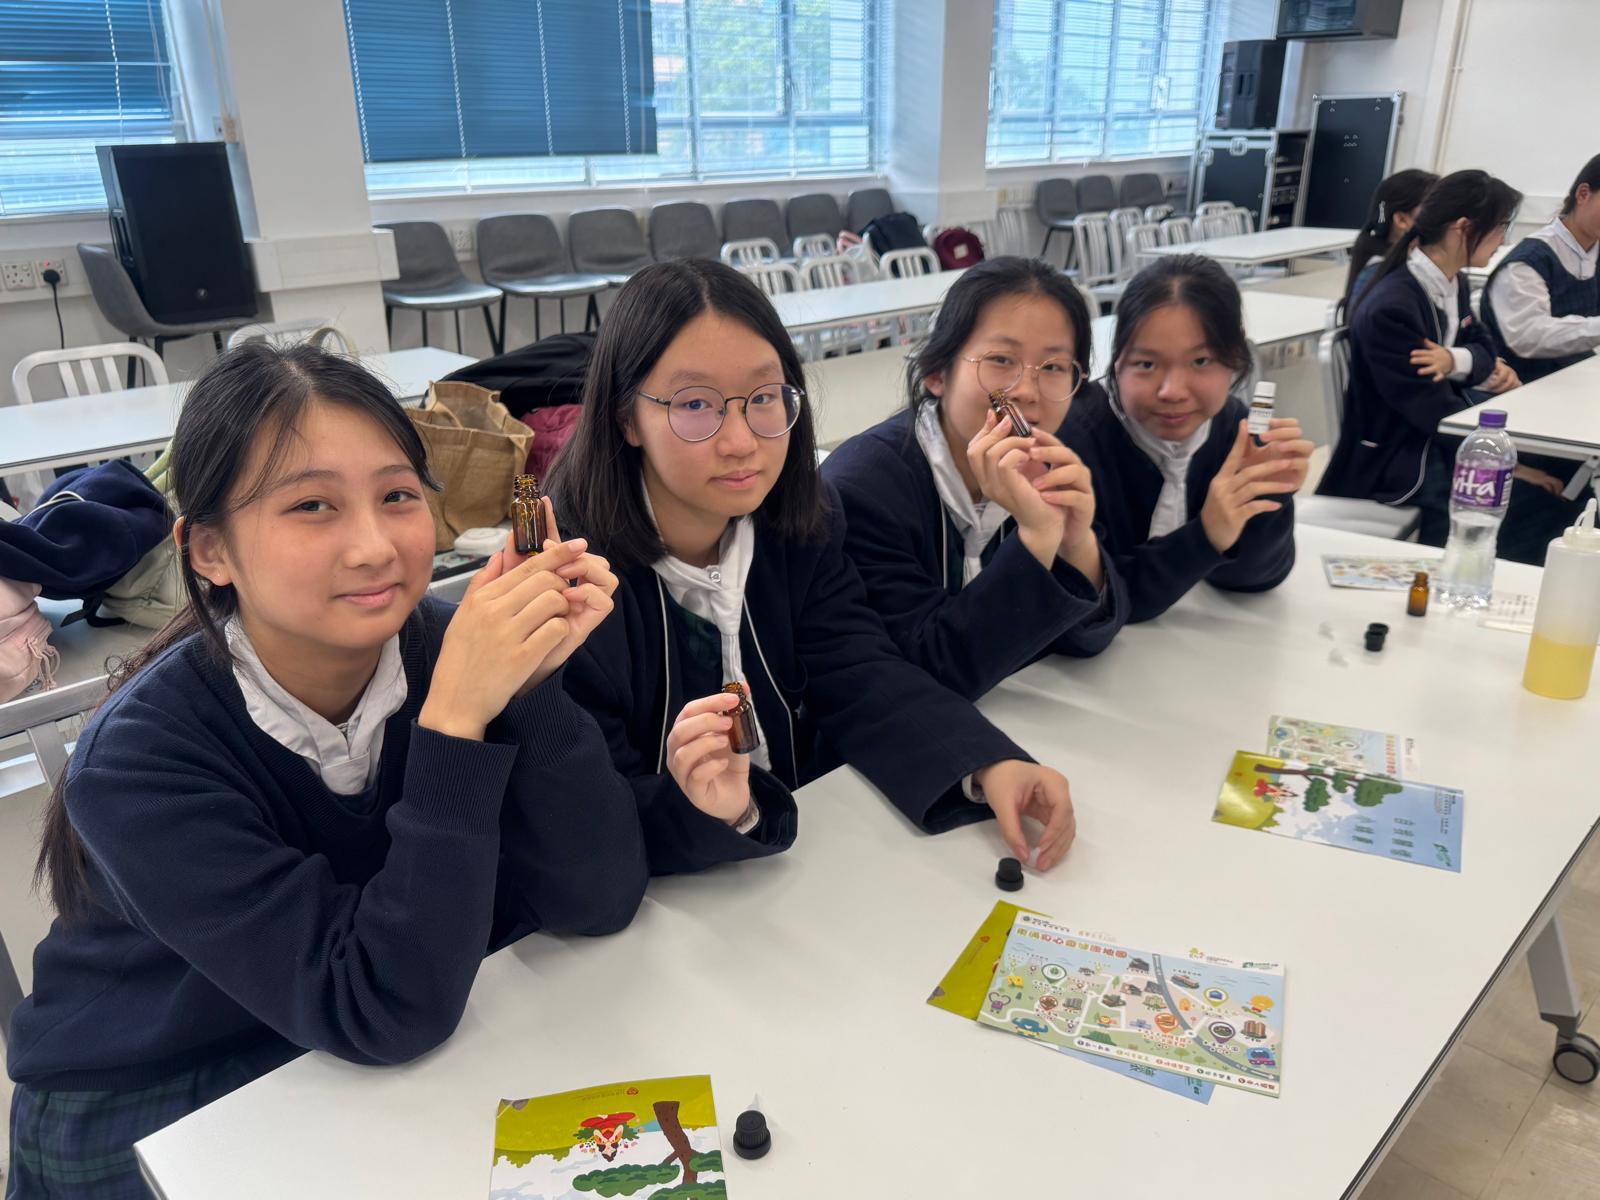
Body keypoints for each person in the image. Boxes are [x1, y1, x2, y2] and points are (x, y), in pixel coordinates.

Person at [5, 345, 646, 1198]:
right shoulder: (137, 760)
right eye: (313, 505)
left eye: (398, 496)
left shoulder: (446, 647)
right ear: (209, 551)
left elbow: (598, 898)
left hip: (361, 1031)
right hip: (158, 1088)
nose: (374, 546)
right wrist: (456, 721)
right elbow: (382, 1009)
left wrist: (529, 688)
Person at [547, 260, 1078, 879]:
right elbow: (581, 818)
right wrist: (713, 813)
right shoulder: (571, 581)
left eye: (763, 398)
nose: (741, 441)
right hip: (666, 901)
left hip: (796, 868)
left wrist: (984, 764)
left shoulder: (796, 524)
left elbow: (859, 669)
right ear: (625, 417)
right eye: (695, 404)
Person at [821, 256, 1128, 700]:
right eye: (1001, 359)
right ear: (937, 372)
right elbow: (929, 673)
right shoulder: (863, 490)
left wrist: (1076, 542)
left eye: (1054, 367)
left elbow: (1089, 638)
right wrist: (1037, 537)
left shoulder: (1048, 460)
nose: (1027, 391)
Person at [1319, 169, 1584, 562]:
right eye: (1500, 227)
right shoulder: (1393, 305)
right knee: (1550, 511)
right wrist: (1507, 467)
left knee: (1562, 486)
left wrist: (1454, 359)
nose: (1503, 240)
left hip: (1437, 440)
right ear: (1463, 228)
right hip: (1402, 462)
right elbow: (1432, 411)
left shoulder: (1450, 281)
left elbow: (1485, 346)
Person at [1058, 255, 1310, 622]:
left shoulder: (1236, 429)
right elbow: (1100, 602)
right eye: (1146, 364)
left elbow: (1253, 579)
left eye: (1201, 362)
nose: (1172, 391)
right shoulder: (1073, 440)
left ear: (1235, 358)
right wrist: (1206, 535)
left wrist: (1270, 495)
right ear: (1118, 362)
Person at [1482, 153, 1600, 382]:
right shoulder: (1528, 262)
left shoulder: (1594, 249)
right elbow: (1529, 336)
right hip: (1524, 384)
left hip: (1578, 378)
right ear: (1583, 194)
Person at [1342, 168, 1438, 317]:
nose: (1442, 217)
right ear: (1401, 220)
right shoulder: (1381, 273)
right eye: (1433, 208)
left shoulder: (1415, 264)